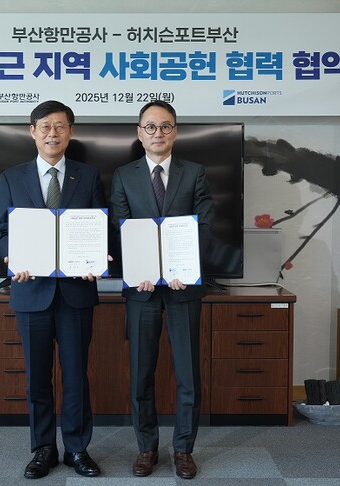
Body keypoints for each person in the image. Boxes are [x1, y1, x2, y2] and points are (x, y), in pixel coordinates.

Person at [0, 100, 103, 480]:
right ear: (33, 132)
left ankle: (77, 448)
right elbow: (1, 231)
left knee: (76, 376)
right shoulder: (12, 178)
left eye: (60, 126)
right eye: (45, 127)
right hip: (31, 291)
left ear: (70, 132)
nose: (52, 133)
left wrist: (98, 257)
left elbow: (100, 227)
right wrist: (11, 256)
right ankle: (43, 448)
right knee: (37, 378)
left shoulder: (88, 177)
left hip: (76, 293)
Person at [110, 100, 214, 479]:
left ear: (175, 132)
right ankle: (147, 447)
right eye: (151, 127)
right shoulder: (124, 175)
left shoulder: (195, 172)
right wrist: (140, 269)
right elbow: (120, 227)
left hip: (182, 287)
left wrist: (183, 268)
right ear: (140, 133)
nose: (158, 133)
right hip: (142, 290)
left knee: (188, 374)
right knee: (141, 374)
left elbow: (203, 225)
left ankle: (183, 449)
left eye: (166, 126)